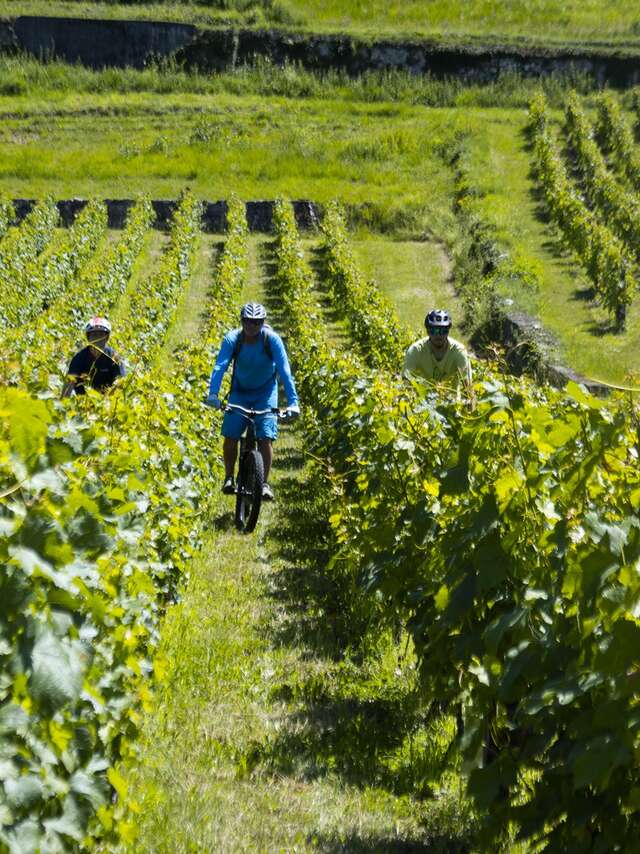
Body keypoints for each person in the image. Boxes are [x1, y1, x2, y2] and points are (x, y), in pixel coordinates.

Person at [206, 302, 300, 501]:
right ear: (242, 321)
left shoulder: (272, 340)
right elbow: (220, 366)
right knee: (231, 435)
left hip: (265, 392)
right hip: (239, 392)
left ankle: (263, 483)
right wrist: (213, 394)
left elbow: (284, 371)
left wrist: (293, 401)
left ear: (263, 323)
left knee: (265, 437)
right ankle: (229, 477)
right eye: (248, 322)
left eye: (256, 322)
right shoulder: (233, 339)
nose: (251, 326)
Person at [403, 309, 474, 404]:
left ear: (448, 331)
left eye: (443, 331)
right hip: (423, 405)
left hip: (452, 405)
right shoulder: (415, 350)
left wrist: (470, 415)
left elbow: (469, 390)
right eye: (435, 330)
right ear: (428, 331)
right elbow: (405, 384)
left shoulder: (459, 351)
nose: (439, 335)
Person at [61, 316, 126, 398]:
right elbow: (68, 385)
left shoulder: (114, 357)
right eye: (94, 335)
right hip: (82, 402)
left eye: (101, 335)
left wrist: (108, 400)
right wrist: (63, 404)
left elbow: (121, 382)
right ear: (88, 338)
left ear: (106, 337)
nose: (97, 338)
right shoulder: (79, 358)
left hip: (107, 401)